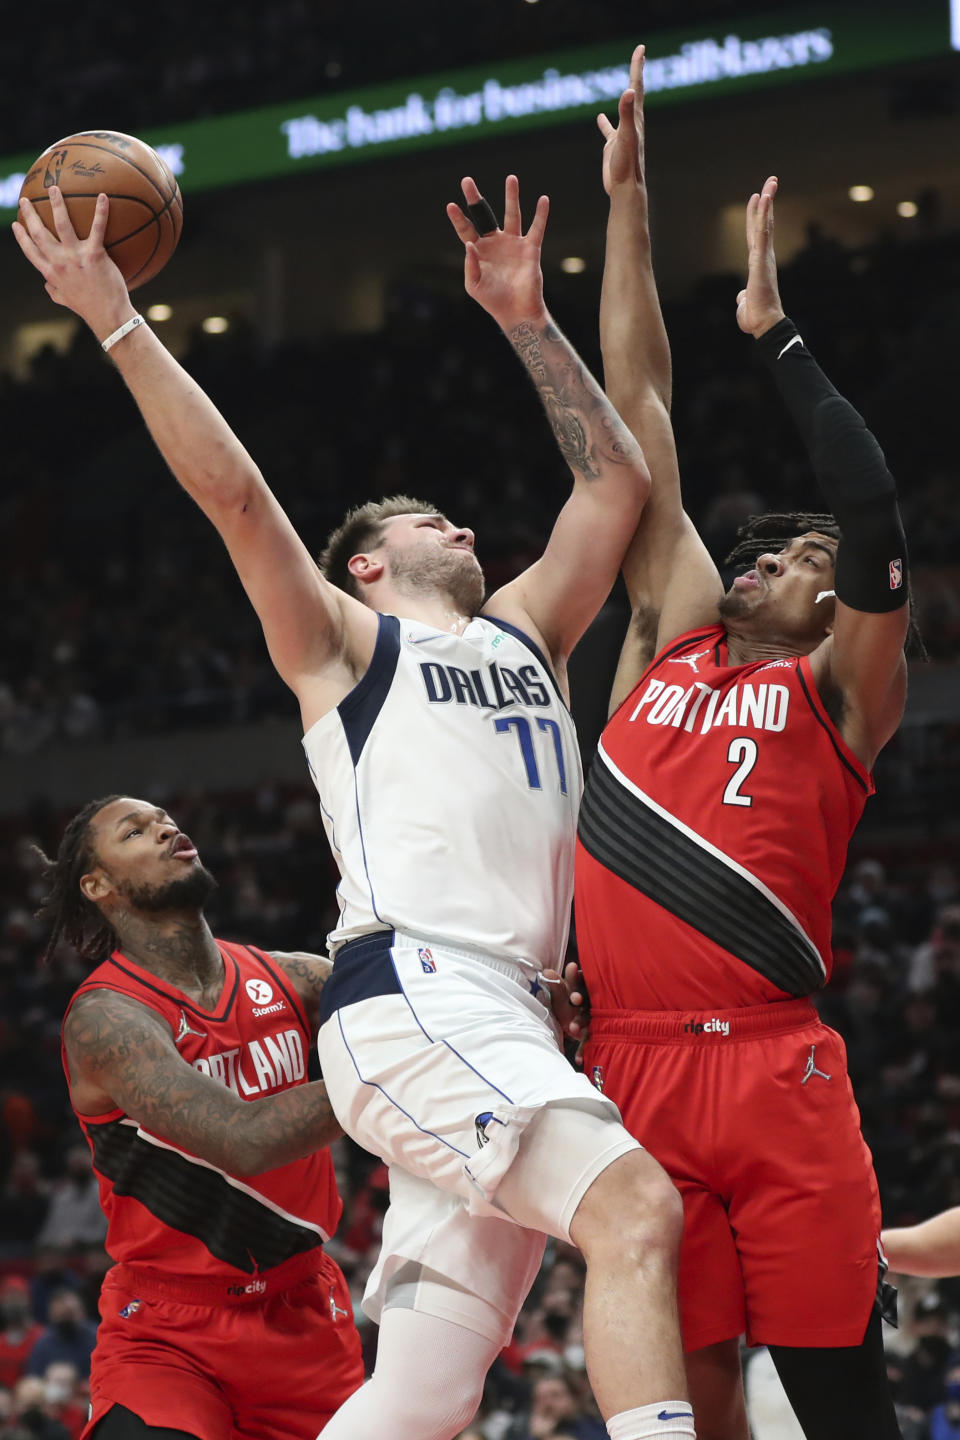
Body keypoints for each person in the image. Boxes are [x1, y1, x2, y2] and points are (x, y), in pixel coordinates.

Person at [14, 155, 694, 1440]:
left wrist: (527, 323)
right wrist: (114, 317)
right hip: (420, 997)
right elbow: (235, 496)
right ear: (372, 562)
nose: (465, 530)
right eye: (433, 521)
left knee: (425, 1394)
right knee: (636, 1212)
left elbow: (614, 488)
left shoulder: (525, 636)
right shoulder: (343, 647)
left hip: (509, 1015)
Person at [575, 45, 910, 1440]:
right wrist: (631, 199)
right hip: (636, 1065)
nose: (764, 555)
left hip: (777, 1066)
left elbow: (878, 509)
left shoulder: (845, 689)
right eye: (760, 549)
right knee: (697, 1389)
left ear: (832, 595)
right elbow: (634, 403)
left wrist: (775, 334)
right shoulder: (675, 634)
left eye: (795, 550)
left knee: (839, 1398)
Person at [33, 793, 364, 1439]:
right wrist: (398, 1070)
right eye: (136, 831)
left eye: (167, 821)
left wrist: (538, 1004)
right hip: (171, 1334)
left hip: (305, 1318)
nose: (165, 829)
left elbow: (436, 1020)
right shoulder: (109, 1018)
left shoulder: (297, 979)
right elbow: (244, 1139)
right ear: (97, 884)